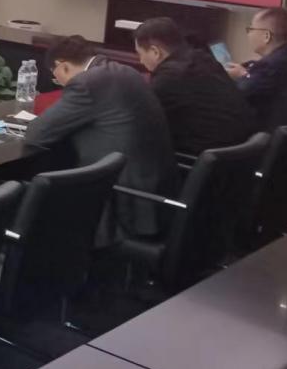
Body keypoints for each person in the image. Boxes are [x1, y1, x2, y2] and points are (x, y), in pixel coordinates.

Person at [25, 35, 175, 238]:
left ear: (63, 66)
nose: (59, 83)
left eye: (55, 77)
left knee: (39, 203)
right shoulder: (126, 71)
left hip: (122, 199)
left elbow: (36, 135)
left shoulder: (86, 83)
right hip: (155, 192)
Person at [133, 17, 253, 156]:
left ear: (155, 52)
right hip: (241, 151)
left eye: (140, 54)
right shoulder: (204, 59)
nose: (141, 60)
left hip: (203, 160)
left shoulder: (168, 78)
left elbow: (140, 121)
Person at [226, 6, 287, 130]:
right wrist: (247, 72)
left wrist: (240, 76)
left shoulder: (271, 67)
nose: (249, 34)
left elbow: (237, 95)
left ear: (266, 36)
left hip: (266, 134)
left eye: (251, 29)